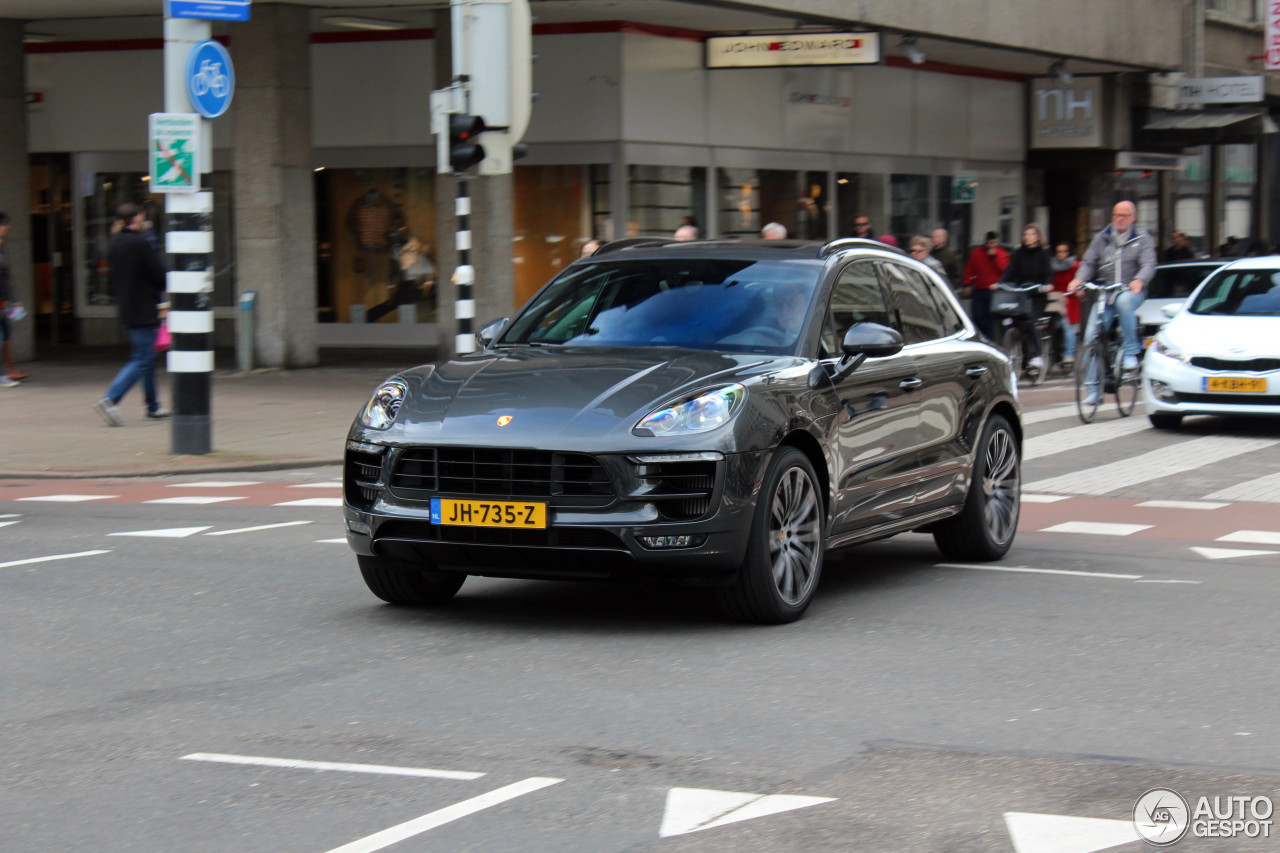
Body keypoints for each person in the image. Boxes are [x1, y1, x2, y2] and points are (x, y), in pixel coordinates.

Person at [1068, 200, 1157, 395]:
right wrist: (1078, 279)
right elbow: (1089, 262)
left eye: (1124, 215)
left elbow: (1149, 264)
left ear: (1133, 218)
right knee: (1091, 335)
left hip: (1131, 291)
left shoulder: (1142, 238)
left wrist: (1139, 280)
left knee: (1124, 301)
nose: (1119, 219)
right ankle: (1093, 390)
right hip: (1106, 294)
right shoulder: (1102, 238)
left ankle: (1131, 352)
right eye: (1116, 215)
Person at [94, 202, 170, 426]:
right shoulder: (140, 242)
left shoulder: (115, 242)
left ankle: (153, 406)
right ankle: (110, 399)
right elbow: (158, 274)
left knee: (146, 358)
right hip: (144, 306)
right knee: (142, 358)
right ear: (136, 218)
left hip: (127, 306)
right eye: (141, 217)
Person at [997, 223, 1053, 373]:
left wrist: (1047, 284)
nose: (1028, 238)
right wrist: (1000, 283)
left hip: (1037, 295)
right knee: (1011, 321)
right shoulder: (1018, 254)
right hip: (1021, 294)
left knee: (1032, 320)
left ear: (1038, 237)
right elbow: (1010, 271)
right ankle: (1014, 353)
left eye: (1032, 235)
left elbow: (1047, 272)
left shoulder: (1043, 253)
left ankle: (1037, 355)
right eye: (1026, 235)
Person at [962, 230, 1009, 339]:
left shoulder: (1002, 254)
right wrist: (966, 284)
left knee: (990, 319)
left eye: (993, 243)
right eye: (989, 243)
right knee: (978, 316)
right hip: (979, 290)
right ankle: (980, 337)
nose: (991, 246)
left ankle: (990, 340)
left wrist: (995, 257)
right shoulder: (976, 253)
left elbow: (1004, 270)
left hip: (995, 292)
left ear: (997, 242)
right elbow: (969, 269)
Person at [0, 211, 27, 386]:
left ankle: (10, 370)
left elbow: (6, 275)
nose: (7, 227)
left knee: (6, 332)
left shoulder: (2, 246)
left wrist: (14, 298)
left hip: (3, 298)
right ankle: (3, 374)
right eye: (4, 224)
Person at [1050, 241, 1081, 367]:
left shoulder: (1076, 266)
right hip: (1055, 299)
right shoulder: (1052, 266)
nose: (1061, 254)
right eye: (1059, 251)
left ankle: (1069, 354)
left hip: (1070, 300)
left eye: (1064, 251)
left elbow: (1081, 279)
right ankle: (1055, 355)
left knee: (1067, 326)